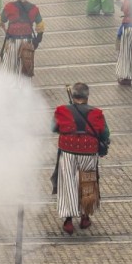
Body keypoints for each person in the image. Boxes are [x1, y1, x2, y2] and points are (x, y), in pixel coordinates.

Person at [51, 82, 109, 234]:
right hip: (88, 153)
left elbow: (54, 128)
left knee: (68, 183)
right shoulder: (97, 113)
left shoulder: (62, 110)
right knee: (88, 182)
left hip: (68, 152)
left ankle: (68, 220)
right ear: (87, 96)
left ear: (73, 95)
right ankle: (85, 216)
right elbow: (105, 133)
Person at [0, 0, 44, 77]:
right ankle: (24, 86)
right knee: (26, 68)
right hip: (27, 42)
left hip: (13, 41)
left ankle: (9, 85)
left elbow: (2, 20)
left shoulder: (9, 6)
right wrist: (37, 41)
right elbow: (40, 25)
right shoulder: (34, 8)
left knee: (9, 68)